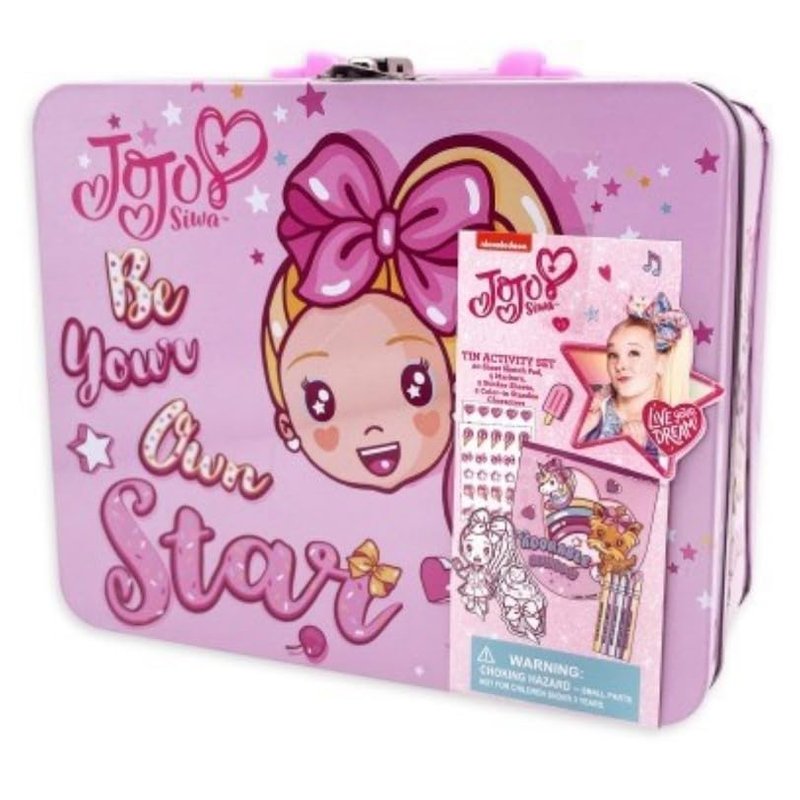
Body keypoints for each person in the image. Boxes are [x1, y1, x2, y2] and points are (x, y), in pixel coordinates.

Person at [579, 292, 692, 460]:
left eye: (634, 353)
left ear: (661, 363)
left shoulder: (665, 433)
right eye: (613, 355)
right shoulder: (592, 407)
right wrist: (580, 430)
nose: (620, 365)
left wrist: (636, 454)